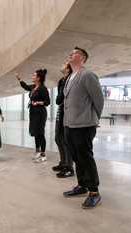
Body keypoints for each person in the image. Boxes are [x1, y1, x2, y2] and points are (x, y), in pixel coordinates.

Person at [63, 47, 104, 209]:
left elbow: (98, 100)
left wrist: (95, 119)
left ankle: (94, 191)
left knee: (85, 157)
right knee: (76, 157)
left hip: (84, 124)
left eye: (73, 53)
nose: (70, 54)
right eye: (70, 52)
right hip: (69, 124)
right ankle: (82, 185)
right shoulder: (70, 77)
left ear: (82, 57)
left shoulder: (88, 75)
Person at [15, 69, 50, 163]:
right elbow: (25, 86)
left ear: (38, 78)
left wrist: (38, 102)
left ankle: (43, 154)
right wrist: (19, 79)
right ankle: (37, 152)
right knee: (35, 132)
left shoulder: (43, 88)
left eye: (34, 75)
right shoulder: (34, 87)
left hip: (40, 113)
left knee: (40, 133)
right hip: (33, 112)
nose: (32, 76)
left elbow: (47, 102)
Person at [52, 63, 74, 178]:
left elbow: (61, 97)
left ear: (68, 68)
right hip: (61, 109)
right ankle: (63, 162)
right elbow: (58, 99)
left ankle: (69, 167)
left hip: (68, 111)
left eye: (65, 64)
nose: (62, 64)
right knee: (58, 138)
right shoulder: (62, 80)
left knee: (66, 140)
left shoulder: (70, 79)